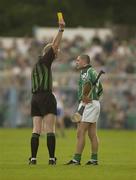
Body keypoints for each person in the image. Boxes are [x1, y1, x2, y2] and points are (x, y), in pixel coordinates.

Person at [29, 16, 65, 165]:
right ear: (49, 53)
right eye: (56, 53)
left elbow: (54, 47)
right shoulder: (45, 60)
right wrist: (61, 29)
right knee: (50, 129)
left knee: (36, 129)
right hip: (46, 97)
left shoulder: (36, 65)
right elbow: (55, 44)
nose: (57, 54)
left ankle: (33, 159)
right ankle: (51, 159)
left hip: (35, 98)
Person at [66, 54, 103, 165]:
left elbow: (88, 86)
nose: (76, 62)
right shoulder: (89, 71)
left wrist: (89, 97)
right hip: (91, 103)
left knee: (80, 131)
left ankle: (76, 159)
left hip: (89, 104)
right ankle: (94, 159)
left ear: (84, 61)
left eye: (78, 60)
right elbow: (100, 89)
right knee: (92, 133)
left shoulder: (87, 72)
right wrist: (94, 98)